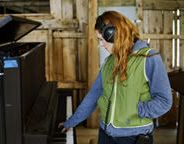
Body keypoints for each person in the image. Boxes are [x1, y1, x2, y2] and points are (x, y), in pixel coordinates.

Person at [58, 11, 172, 144]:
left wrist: (137, 110)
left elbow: (164, 101)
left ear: (114, 34)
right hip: (105, 134)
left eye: (102, 39)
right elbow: (93, 96)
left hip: (133, 137)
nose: (101, 45)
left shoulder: (149, 58)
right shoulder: (109, 62)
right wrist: (71, 122)